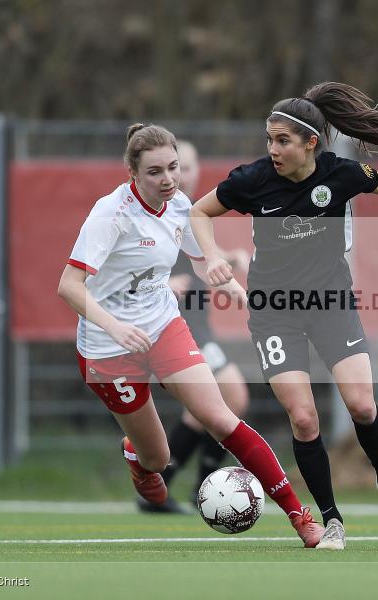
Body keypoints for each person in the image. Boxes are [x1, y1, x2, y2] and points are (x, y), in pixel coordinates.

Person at [190, 82, 378, 550]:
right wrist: (214, 256)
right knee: (303, 420)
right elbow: (199, 213)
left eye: (282, 141)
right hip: (274, 311)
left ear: (311, 143)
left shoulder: (340, 174)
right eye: (269, 140)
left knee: (362, 404)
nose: (273, 149)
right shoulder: (253, 179)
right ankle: (332, 521)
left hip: (330, 303)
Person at [57, 123, 325, 547]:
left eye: (173, 168)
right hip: (107, 348)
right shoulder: (111, 214)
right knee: (156, 457)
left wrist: (239, 293)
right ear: (132, 172)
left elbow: (205, 265)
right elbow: (69, 285)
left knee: (221, 418)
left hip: (163, 327)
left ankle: (300, 516)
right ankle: (137, 459)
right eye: (155, 172)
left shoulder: (180, 205)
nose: (168, 180)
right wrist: (116, 327)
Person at [137, 140, 252, 514]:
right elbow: (123, 268)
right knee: (231, 396)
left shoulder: (192, 211)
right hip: (174, 326)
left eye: (185, 167)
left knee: (207, 409)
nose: (178, 176)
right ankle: (197, 488)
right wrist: (158, 284)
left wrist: (229, 260)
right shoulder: (151, 212)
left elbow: (199, 263)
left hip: (199, 323)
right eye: (171, 168)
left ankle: (165, 489)